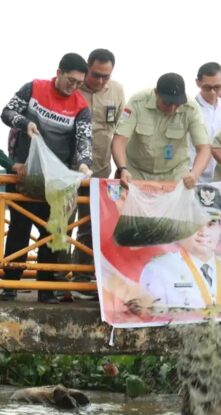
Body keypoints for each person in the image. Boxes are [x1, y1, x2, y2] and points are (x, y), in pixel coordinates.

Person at [0, 53, 93, 303]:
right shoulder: (34, 88)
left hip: (56, 178)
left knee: (50, 231)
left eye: (78, 83)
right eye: (70, 80)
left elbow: (84, 138)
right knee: (19, 227)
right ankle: (9, 284)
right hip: (25, 171)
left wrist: (85, 163)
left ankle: (46, 289)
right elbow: (7, 112)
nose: (73, 86)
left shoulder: (81, 107)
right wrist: (24, 123)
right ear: (59, 72)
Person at [73, 48, 126, 297]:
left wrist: (120, 167)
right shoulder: (73, 87)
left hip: (101, 169)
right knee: (60, 222)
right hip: (69, 169)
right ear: (87, 68)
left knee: (90, 224)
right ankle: (57, 279)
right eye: (96, 75)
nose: (101, 80)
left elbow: (118, 133)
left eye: (106, 75)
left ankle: (83, 278)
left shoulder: (116, 91)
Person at [139, 185, 221, 309]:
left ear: (220, 229)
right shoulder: (158, 271)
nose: (203, 232)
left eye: (211, 224)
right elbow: (150, 320)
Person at [112, 73, 210, 188]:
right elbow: (119, 140)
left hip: (175, 173)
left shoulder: (191, 108)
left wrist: (194, 174)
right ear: (156, 93)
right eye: (167, 103)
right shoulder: (137, 103)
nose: (172, 108)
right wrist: (123, 168)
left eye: (177, 104)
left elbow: (204, 148)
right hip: (136, 172)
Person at [190, 62, 221, 183]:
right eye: (207, 88)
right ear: (198, 83)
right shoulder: (189, 109)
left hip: (219, 177)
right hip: (193, 176)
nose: (213, 92)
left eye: (217, 87)